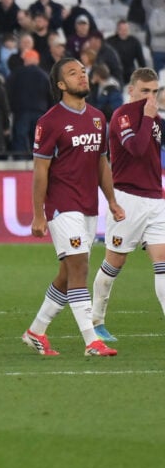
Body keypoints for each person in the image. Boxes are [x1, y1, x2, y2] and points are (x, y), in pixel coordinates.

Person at [24, 57, 122, 357]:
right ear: (61, 84)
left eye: (83, 71)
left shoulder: (97, 117)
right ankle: (91, 340)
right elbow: (40, 171)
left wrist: (112, 201)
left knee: (69, 273)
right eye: (73, 73)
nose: (82, 76)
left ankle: (36, 331)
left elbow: (101, 161)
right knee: (80, 266)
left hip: (88, 206)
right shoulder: (49, 121)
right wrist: (38, 214)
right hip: (61, 206)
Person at [90, 68, 165, 340]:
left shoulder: (156, 119)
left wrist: (152, 119)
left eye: (155, 91)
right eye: (145, 91)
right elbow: (136, 149)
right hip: (128, 199)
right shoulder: (122, 116)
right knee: (114, 262)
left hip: (156, 199)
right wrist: (147, 118)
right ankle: (96, 321)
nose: (150, 97)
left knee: (162, 261)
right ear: (131, 90)